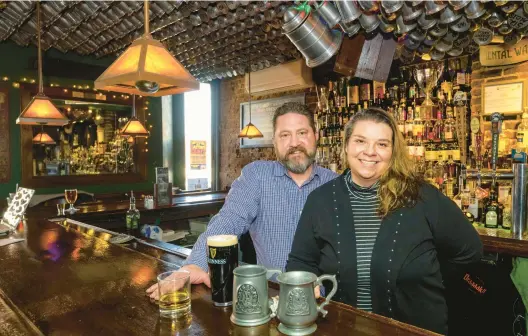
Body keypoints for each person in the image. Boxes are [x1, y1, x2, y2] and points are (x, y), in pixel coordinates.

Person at [286, 108, 482, 335]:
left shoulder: (422, 197)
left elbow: (470, 250)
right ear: (346, 145)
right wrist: (308, 286)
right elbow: (301, 260)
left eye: (382, 144)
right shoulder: (320, 200)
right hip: (342, 328)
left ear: (392, 151)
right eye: (360, 141)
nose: (370, 152)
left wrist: (429, 277)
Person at [147, 102, 337, 299]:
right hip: (272, 296)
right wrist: (194, 264)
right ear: (274, 142)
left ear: (316, 136)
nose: (294, 142)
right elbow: (228, 221)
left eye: (302, 133)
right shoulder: (257, 176)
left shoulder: (334, 183)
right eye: (285, 135)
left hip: (326, 298)